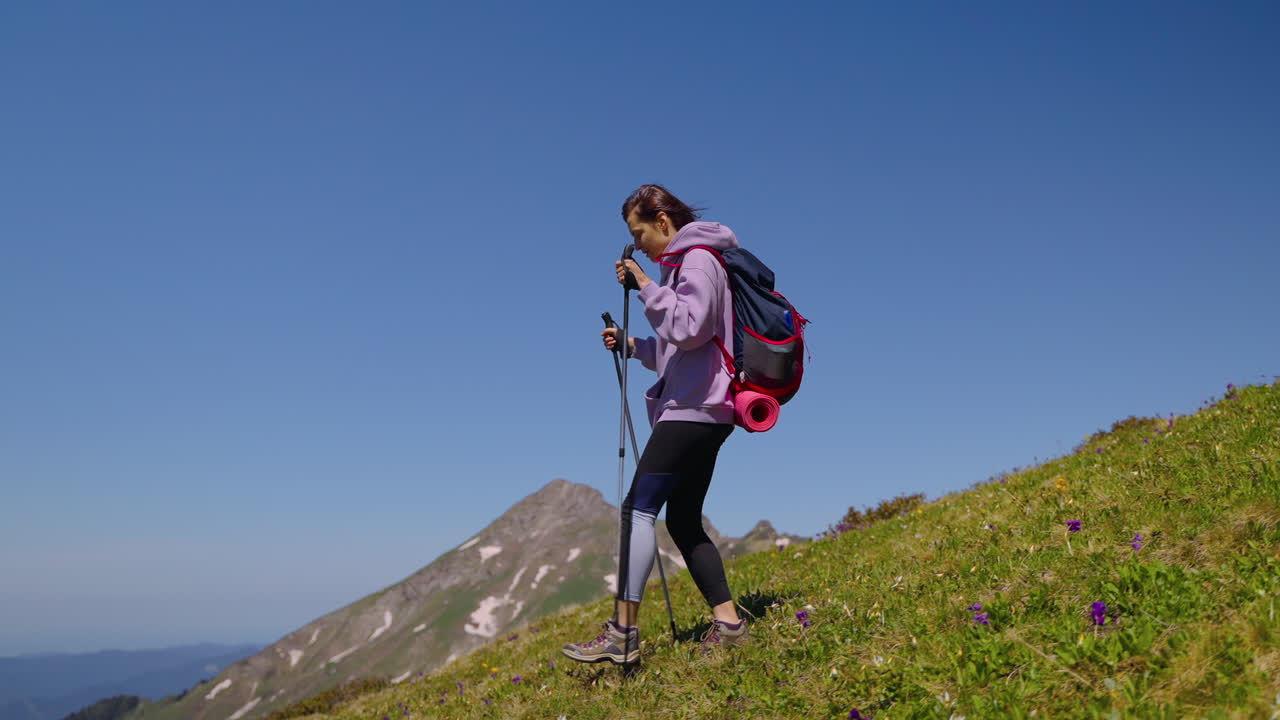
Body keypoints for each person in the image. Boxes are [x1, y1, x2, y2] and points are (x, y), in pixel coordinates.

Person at [561, 184, 748, 666]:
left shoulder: (699, 258)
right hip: (705, 406)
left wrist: (645, 285)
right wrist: (633, 345)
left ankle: (623, 634)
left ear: (662, 222)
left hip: (693, 409)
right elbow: (679, 346)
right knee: (682, 518)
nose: (637, 244)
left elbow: (691, 328)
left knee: (636, 510)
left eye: (638, 233)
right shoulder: (687, 265)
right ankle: (729, 625)